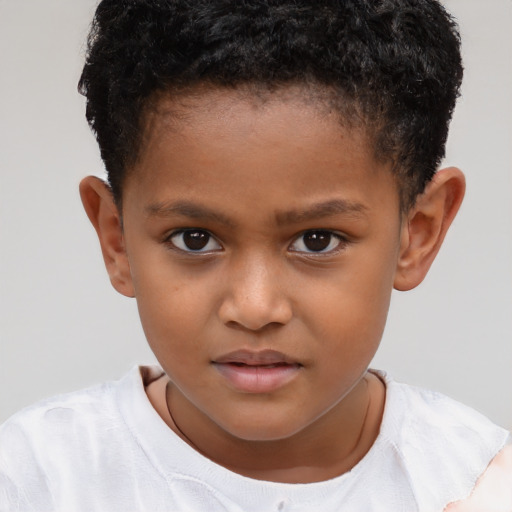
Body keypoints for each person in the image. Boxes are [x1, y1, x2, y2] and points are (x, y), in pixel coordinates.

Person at [0, 0, 510, 510]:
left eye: (317, 240)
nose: (255, 308)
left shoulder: (477, 484)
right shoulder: (37, 479)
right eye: (194, 239)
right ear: (117, 239)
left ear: (417, 234)